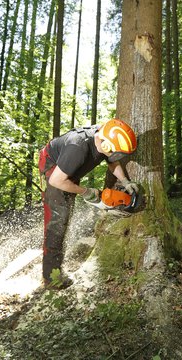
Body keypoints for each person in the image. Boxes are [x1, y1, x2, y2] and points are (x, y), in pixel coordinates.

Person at [37, 118, 139, 289]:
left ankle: (54, 266)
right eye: (117, 152)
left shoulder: (104, 137)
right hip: (53, 169)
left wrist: (126, 182)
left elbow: (112, 162)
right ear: (106, 145)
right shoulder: (78, 148)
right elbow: (56, 180)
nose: (117, 156)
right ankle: (51, 278)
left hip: (69, 169)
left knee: (66, 213)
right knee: (58, 221)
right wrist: (86, 192)